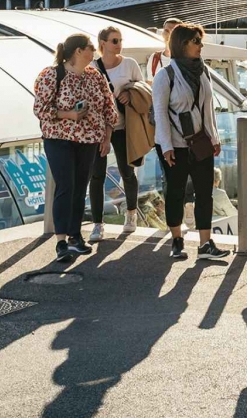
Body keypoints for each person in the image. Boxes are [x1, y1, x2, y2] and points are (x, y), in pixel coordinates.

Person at [32, 32, 118, 263]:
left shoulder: (95, 76)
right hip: (59, 138)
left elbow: (109, 107)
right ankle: (61, 240)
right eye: (91, 47)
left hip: (89, 139)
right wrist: (69, 114)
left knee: (81, 187)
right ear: (78, 51)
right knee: (66, 186)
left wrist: (107, 137)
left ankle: (75, 235)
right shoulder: (52, 74)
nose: (95, 51)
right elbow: (41, 109)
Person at [153, 23, 230, 263]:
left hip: (200, 142)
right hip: (174, 144)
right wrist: (166, 147)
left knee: (204, 192)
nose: (200, 45)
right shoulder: (165, 75)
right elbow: (160, 114)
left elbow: (208, 109)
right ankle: (177, 240)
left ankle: (206, 243)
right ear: (182, 44)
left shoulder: (203, 71)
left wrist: (214, 137)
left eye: (200, 40)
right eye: (195, 40)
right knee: (175, 192)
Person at [90, 25, 148, 240]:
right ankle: (98, 224)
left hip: (124, 127)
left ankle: (131, 213)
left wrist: (128, 93)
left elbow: (143, 89)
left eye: (120, 40)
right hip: (98, 129)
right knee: (96, 176)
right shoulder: (92, 67)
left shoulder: (130, 64)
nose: (119, 44)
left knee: (127, 172)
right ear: (102, 43)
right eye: (115, 40)